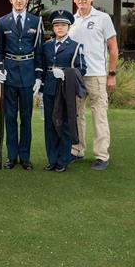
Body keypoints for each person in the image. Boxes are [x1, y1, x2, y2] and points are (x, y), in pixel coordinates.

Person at [69, 0, 118, 170]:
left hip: (96, 75)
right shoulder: (71, 21)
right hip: (76, 75)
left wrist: (111, 74)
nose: (82, 0)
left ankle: (102, 156)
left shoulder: (103, 18)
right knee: (76, 115)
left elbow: (113, 48)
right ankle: (77, 150)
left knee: (99, 115)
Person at [0, 0, 43, 171]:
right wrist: (0, 68)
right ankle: (11, 156)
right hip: (10, 74)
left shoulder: (36, 21)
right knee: (9, 117)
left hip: (28, 73)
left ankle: (25, 157)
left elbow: (39, 51)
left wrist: (39, 76)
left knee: (26, 118)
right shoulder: (2, 22)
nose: (19, 1)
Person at [39, 10, 86, 172]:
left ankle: (63, 161)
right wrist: (39, 82)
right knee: (50, 125)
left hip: (66, 91)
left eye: (63, 25)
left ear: (68, 27)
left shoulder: (75, 46)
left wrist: (66, 73)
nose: (60, 28)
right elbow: (43, 67)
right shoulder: (46, 46)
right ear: (53, 28)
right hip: (49, 89)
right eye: (57, 25)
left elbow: (82, 70)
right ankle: (52, 160)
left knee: (64, 124)